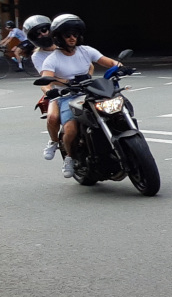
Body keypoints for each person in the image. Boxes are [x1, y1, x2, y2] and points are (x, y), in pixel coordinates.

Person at [40, 14, 123, 179]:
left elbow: (108, 62)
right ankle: (70, 158)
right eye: (68, 35)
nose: (72, 38)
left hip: (91, 91)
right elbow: (45, 81)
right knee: (70, 129)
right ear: (59, 37)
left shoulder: (86, 51)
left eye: (75, 34)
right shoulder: (52, 59)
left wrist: (120, 66)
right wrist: (50, 90)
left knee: (118, 107)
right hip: (68, 96)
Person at [21, 15, 60, 159]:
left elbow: (90, 65)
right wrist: (51, 92)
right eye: (38, 33)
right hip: (60, 90)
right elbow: (45, 79)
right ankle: (54, 141)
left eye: (45, 30)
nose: (43, 34)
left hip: (82, 86)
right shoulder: (37, 56)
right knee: (53, 117)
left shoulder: (67, 43)